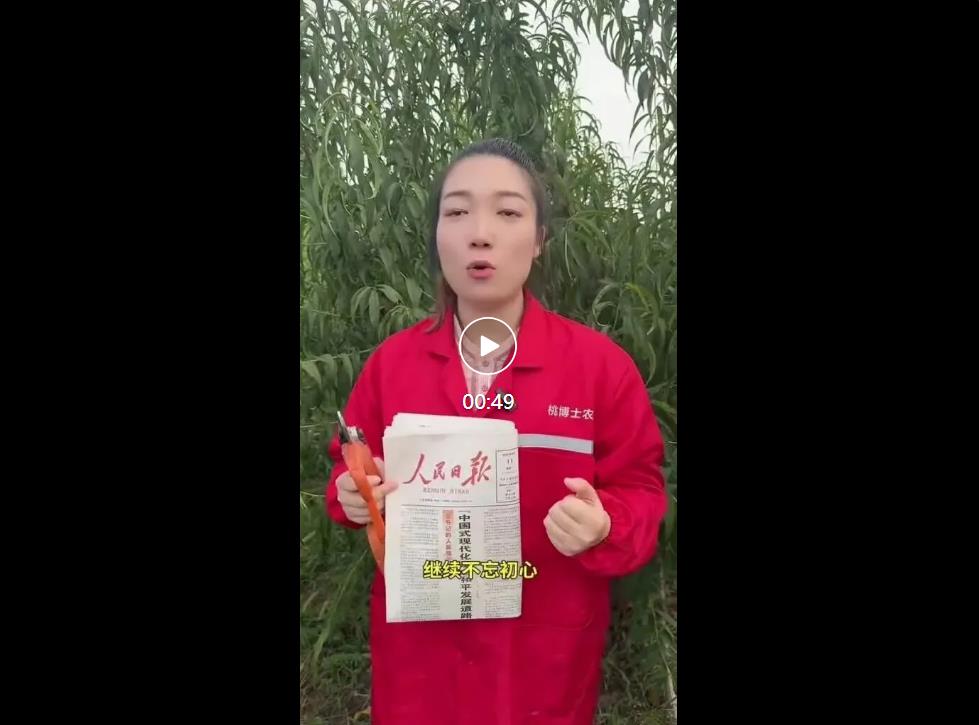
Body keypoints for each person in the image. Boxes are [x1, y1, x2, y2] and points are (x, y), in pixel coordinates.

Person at [325, 138, 668, 725]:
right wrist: (354, 496)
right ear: (437, 234)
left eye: (508, 212)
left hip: (542, 663)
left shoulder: (599, 369)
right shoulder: (392, 366)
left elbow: (642, 492)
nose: (479, 234)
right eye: (457, 211)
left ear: (538, 240)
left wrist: (606, 524)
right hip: (421, 664)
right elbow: (349, 467)